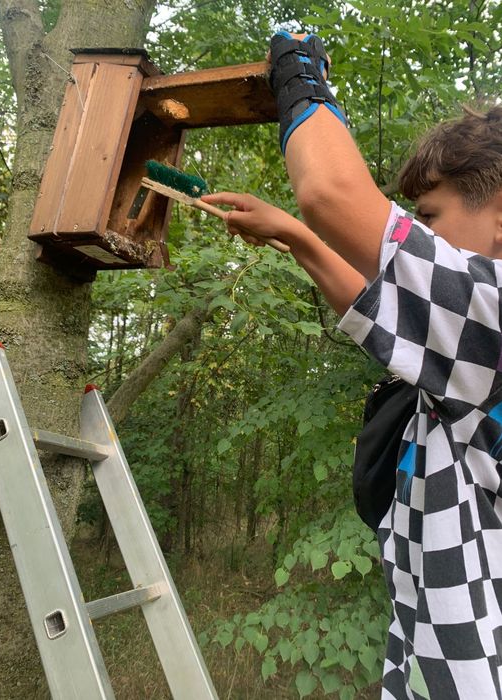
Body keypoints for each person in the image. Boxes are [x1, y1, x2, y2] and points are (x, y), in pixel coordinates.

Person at [202, 30, 502, 700]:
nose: (418, 234)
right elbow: (380, 309)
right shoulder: (470, 344)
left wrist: (298, 73)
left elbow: (331, 192)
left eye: (429, 217)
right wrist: (297, 238)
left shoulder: (493, 312)